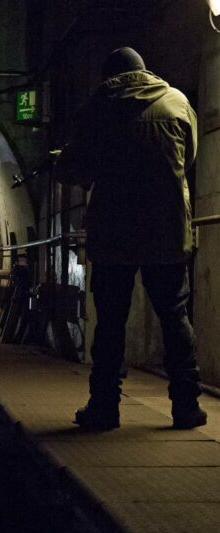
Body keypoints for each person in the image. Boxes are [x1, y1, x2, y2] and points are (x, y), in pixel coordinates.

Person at [56, 47, 205, 431]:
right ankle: (186, 405)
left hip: (113, 232)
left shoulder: (96, 110)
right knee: (175, 318)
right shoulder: (176, 101)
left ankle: (104, 407)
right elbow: (188, 158)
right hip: (167, 228)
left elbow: (80, 168)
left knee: (110, 323)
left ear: (108, 76)